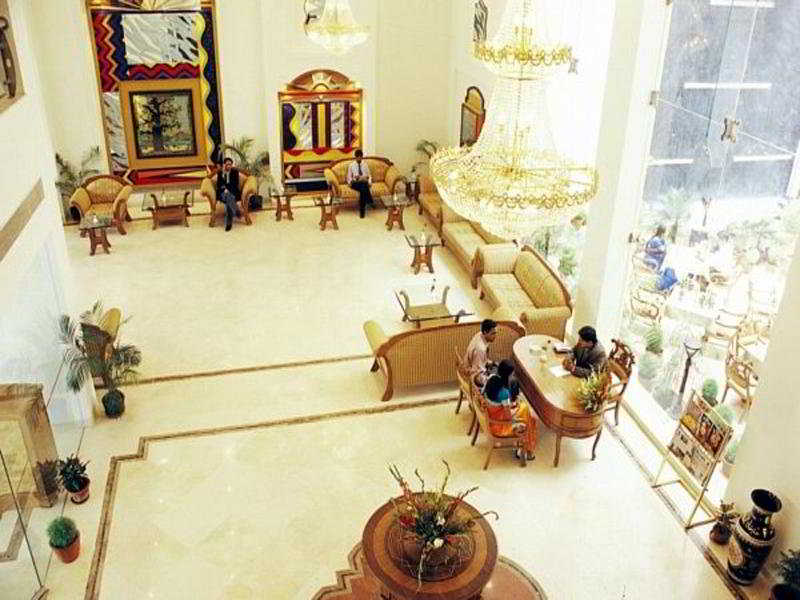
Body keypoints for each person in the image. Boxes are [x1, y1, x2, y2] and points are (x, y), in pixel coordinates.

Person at [483, 359, 537, 461]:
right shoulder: (504, 392)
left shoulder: (491, 378)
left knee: (525, 411)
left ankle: (525, 449)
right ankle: (525, 450)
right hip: (499, 425)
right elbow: (508, 418)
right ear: (508, 375)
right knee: (529, 416)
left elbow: (496, 403)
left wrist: (510, 406)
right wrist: (514, 410)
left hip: (491, 416)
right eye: (512, 374)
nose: (513, 376)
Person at [465, 319, 497, 385]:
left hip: (476, 366)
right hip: (475, 375)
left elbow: (483, 360)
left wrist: (491, 363)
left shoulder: (480, 334)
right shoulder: (480, 349)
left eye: (495, 333)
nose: (495, 336)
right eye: (492, 334)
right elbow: (478, 371)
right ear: (485, 332)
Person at [346, 149, 373, 218]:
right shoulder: (351, 165)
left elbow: (369, 175)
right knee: (364, 185)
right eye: (358, 157)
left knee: (363, 189)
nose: (359, 159)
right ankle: (370, 200)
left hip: (363, 182)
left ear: (362, 157)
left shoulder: (365, 164)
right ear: (355, 157)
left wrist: (369, 182)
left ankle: (362, 212)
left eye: (360, 157)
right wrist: (350, 182)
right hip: (355, 183)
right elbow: (349, 177)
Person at [215, 157, 240, 231]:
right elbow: (219, 184)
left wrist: (228, 190)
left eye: (230, 164)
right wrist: (224, 189)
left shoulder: (235, 172)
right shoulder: (220, 173)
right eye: (227, 164)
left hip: (233, 192)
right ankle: (235, 209)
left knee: (229, 199)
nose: (229, 166)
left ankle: (229, 223)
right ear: (224, 165)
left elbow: (235, 184)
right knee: (229, 198)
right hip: (222, 193)